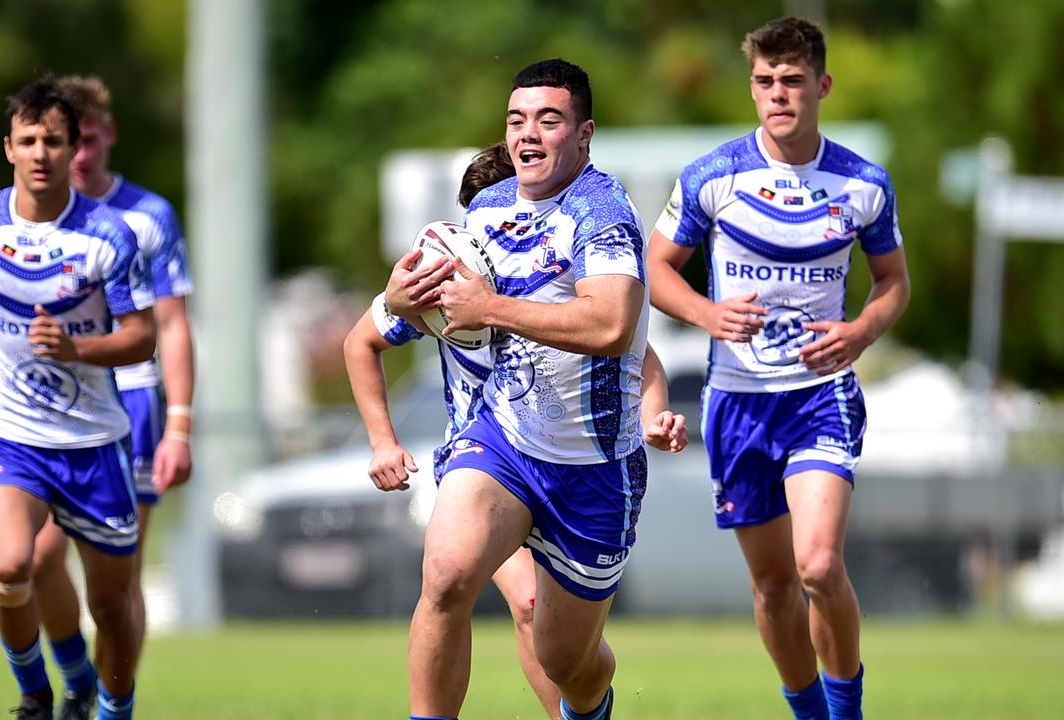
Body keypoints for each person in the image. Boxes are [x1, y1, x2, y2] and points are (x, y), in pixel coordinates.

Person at [344, 142, 687, 720]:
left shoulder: (555, 285)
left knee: (555, 639)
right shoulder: (449, 277)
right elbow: (361, 341)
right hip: (487, 460)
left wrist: (653, 414)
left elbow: (639, 354)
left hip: (577, 465)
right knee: (465, 583)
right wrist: (382, 440)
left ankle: (580, 707)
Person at [645, 17, 911, 720]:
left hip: (820, 396)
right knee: (772, 587)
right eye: (765, 81)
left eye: (792, 81)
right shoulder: (713, 176)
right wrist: (707, 313)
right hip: (738, 401)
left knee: (818, 564)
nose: (778, 94)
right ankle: (810, 714)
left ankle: (846, 712)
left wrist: (859, 331)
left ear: (821, 85)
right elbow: (656, 268)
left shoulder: (863, 183)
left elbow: (894, 284)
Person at [383, 59, 649, 720]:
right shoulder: (487, 207)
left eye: (549, 120)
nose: (528, 135)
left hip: (594, 471)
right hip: (502, 443)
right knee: (445, 576)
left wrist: (491, 310)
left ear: (584, 135)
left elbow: (613, 325)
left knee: (567, 661)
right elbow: (435, 306)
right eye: (517, 121)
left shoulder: (603, 212)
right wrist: (398, 298)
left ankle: (590, 709)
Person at [0, 77, 155, 720]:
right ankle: (35, 690)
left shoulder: (109, 236)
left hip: (95, 443)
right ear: (8, 148)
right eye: (27, 140)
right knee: (9, 568)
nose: (40, 152)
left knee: (111, 605)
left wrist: (78, 349)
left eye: (53, 140)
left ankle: (113, 706)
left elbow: (141, 337)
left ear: (70, 145)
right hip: (11, 434)